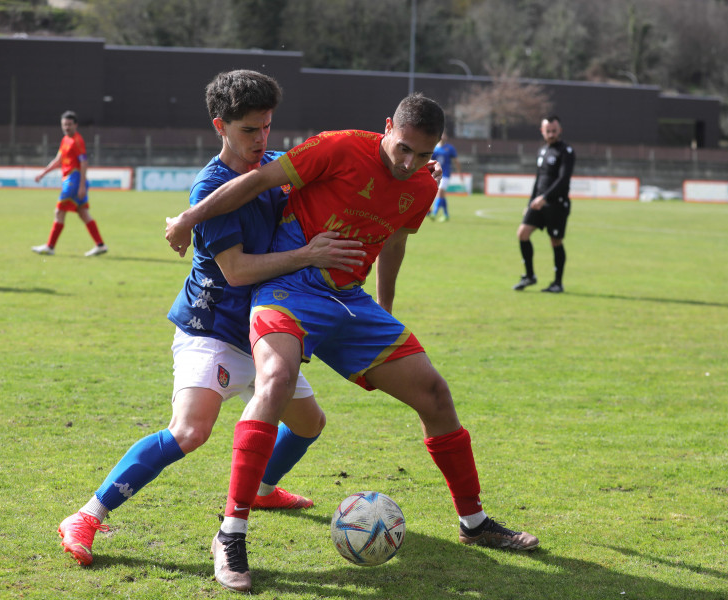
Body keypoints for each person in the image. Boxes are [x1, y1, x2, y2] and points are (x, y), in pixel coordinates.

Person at [166, 93, 539, 594]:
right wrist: (189, 219)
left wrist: (383, 309)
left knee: (434, 393)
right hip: (289, 289)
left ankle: (473, 522)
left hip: (349, 301)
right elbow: (255, 180)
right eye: (403, 148)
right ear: (388, 126)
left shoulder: (424, 186)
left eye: (424, 155)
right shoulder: (339, 148)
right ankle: (231, 534)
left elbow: (395, 242)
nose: (410, 164)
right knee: (275, 381)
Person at [57, 70, 366, 567]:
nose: (261, 140)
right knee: (190, 431)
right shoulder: (213, 185)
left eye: (268, 128)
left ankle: (263, 488)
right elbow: (238, 270)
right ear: (220, 126)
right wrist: (308, 256)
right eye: (249, 130)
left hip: (264, 333)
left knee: (309, 424)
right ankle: (87, 515)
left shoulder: (270, 167)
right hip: (214, 330)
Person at [513, 114, 575, 293]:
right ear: (542, 131)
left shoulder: (566, 151)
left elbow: (563, 179)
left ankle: (557, 283)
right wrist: (531, 201)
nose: (551, 134)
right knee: (522, 233)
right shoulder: (542, 151)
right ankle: (529, 275)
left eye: (554, 131)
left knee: (555, 241)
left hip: (556, 204)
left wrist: (545, 197)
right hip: (538, 203)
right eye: (548, 131)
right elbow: (538, 179)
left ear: (560, 130)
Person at [32, 110, 108, 257]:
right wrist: (43, 173)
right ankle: (100, 245)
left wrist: (81, 185)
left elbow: (84, 162)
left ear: (76, 125)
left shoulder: (77, 141)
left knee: (59, 211)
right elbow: (58, 160)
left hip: (74, 181)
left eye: (69, 124)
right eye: (64, 124)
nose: (66, 127)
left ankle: (50, 246)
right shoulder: (65, 140)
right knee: (83, 213)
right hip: (70, 180)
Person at [428, 132, 460, 221]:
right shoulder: (434, 149)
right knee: (441, 195)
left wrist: (459, 172)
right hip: (436, 174)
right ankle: (446, 215)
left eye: (444, 135)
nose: (443, 136)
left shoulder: (449, 148)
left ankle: (434, 213)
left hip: (445, 174)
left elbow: (456, 161)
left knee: (440, 192)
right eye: (441, 134)